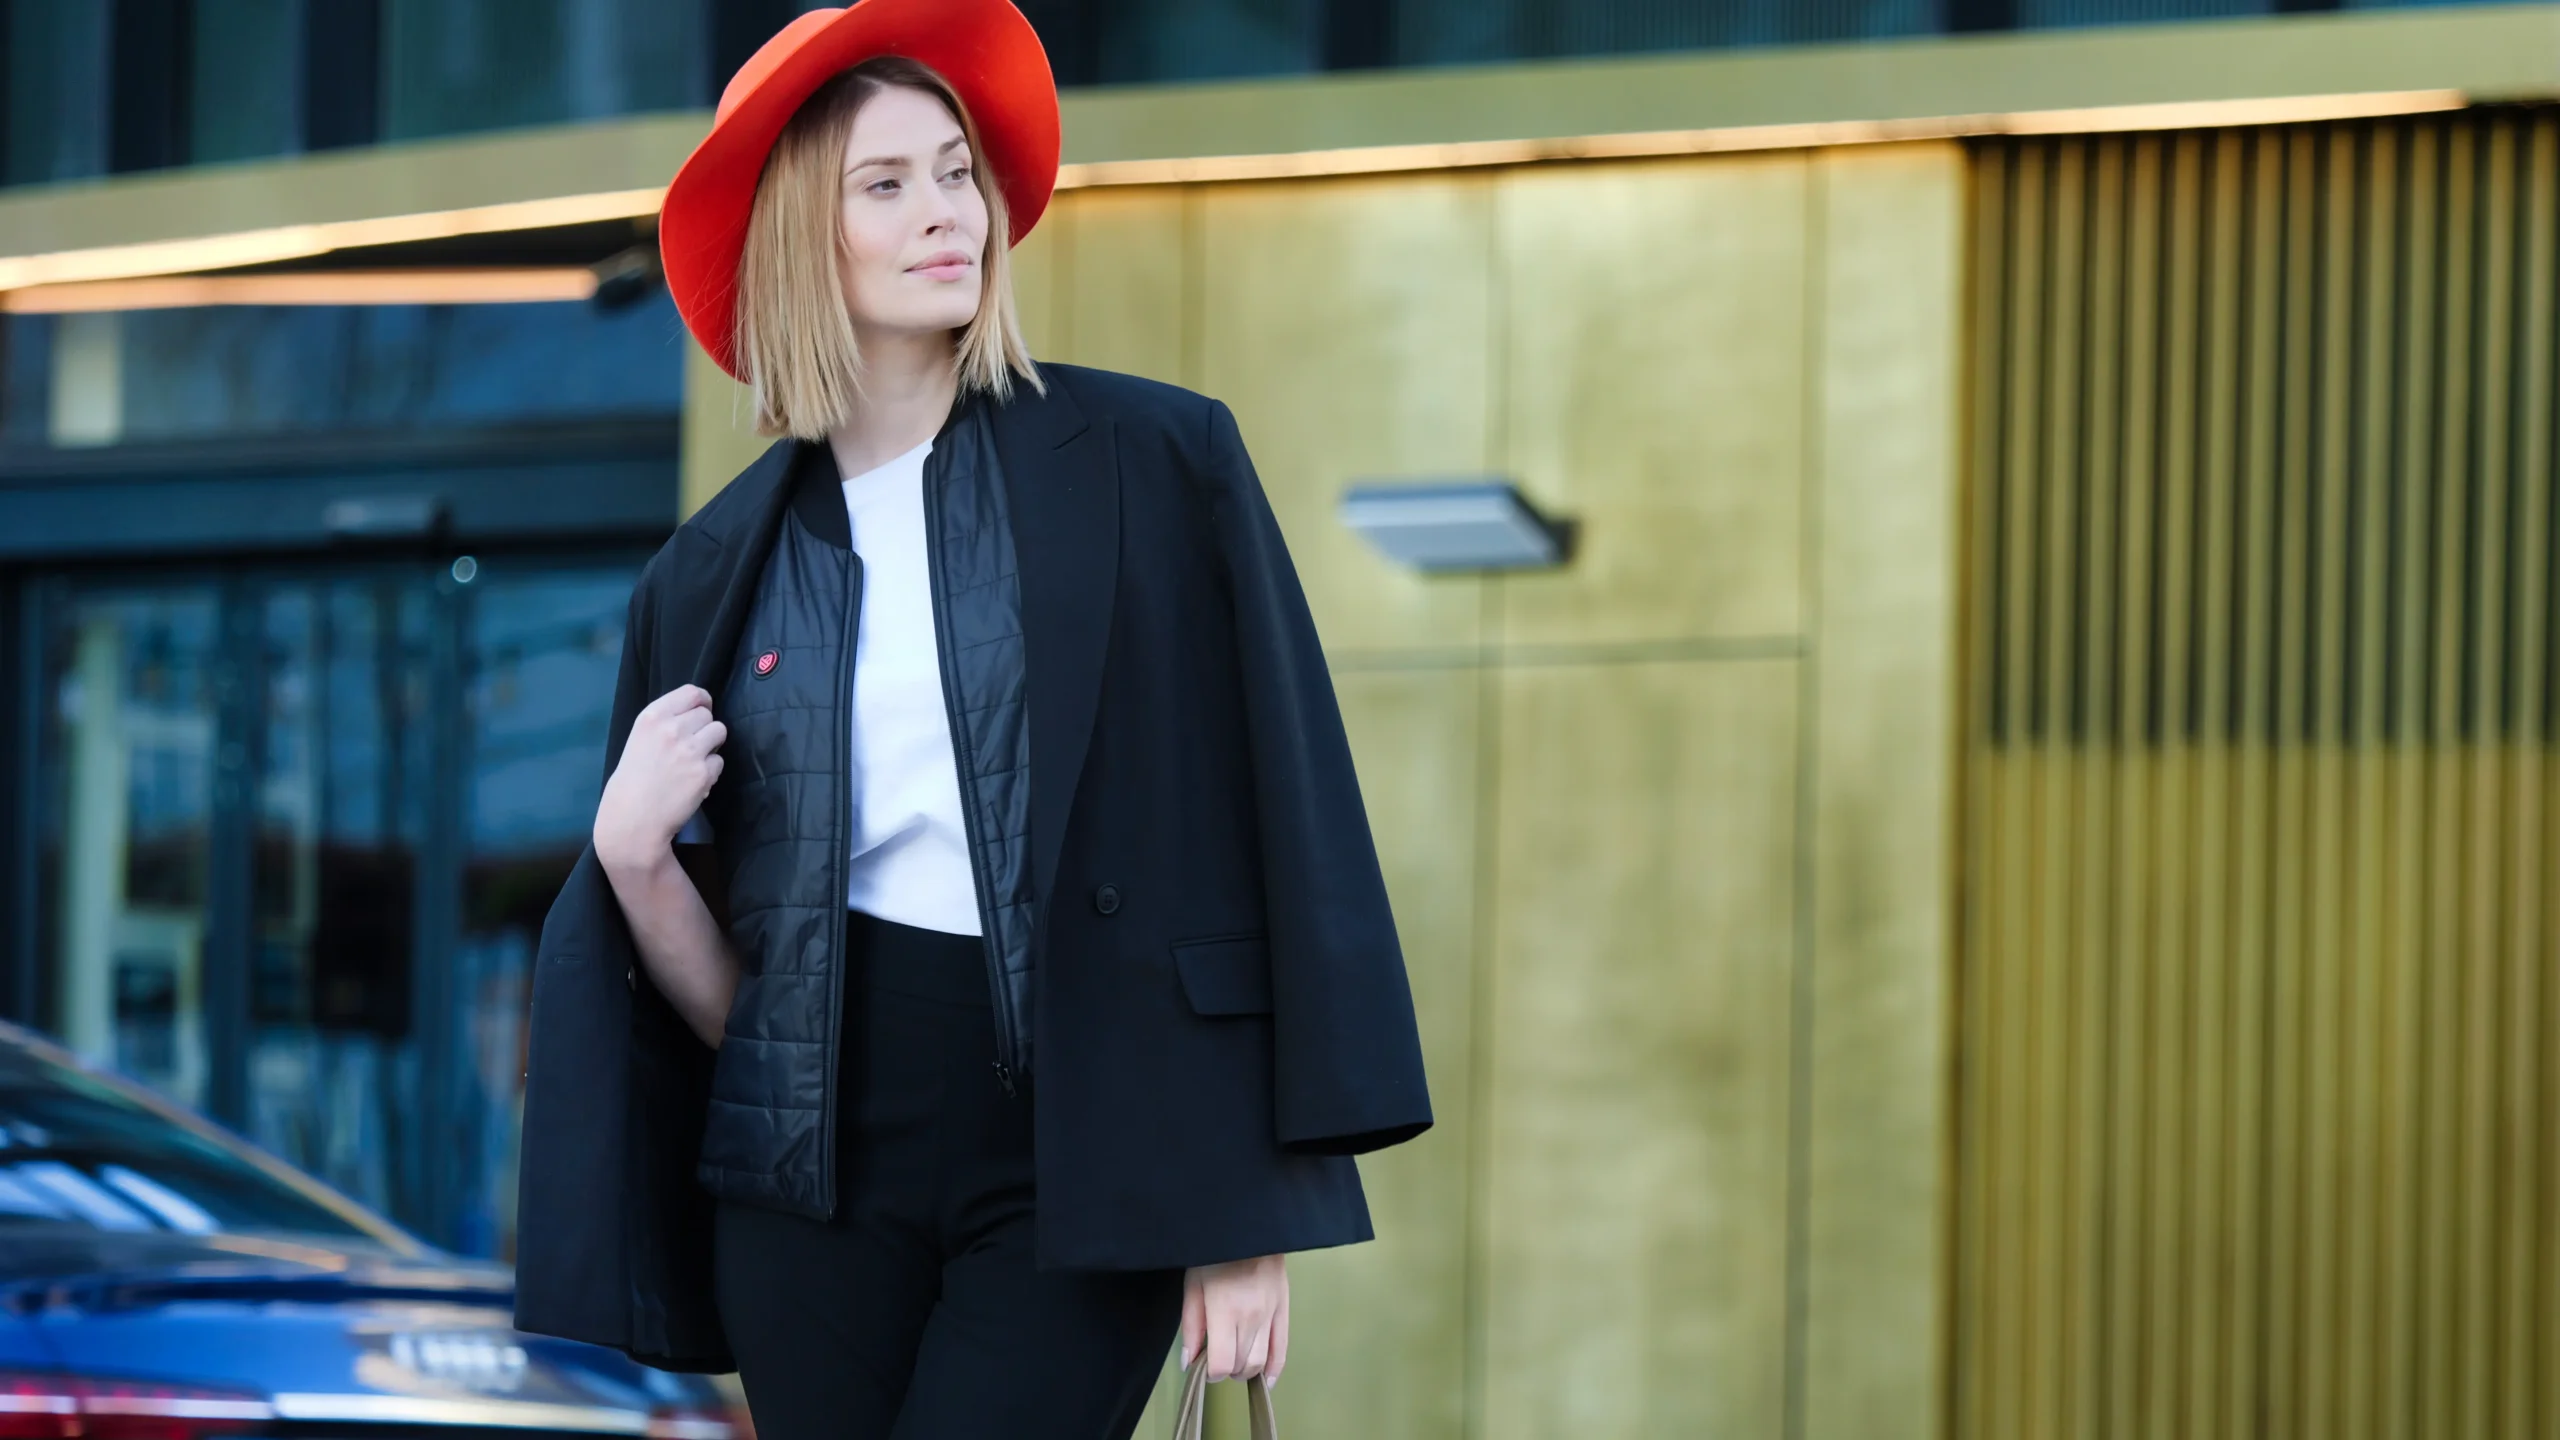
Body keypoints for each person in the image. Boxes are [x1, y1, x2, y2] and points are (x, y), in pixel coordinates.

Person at [509, 3, 1433, 1437]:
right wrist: (631, 859)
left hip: (1078, 1147)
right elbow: (747, 1016)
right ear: (802, 237)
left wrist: (1246, 1209)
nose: (947, 211)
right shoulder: (708, 575)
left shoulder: (1152, 462)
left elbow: (1279, 822)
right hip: (807, 1186)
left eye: (955, 172)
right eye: (885, 185)